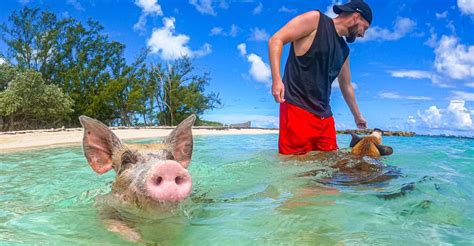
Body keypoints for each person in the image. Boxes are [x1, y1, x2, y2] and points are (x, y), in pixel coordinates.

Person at [268, 0, 373, 155]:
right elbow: (276, 40)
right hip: (297, 108)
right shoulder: (315, 20)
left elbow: (346, 85)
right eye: (365, 27)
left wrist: (357, 116)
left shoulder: (344, 50)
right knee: (294, 169)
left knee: (330, 166)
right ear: (356, 16)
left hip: (325, 117)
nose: (363, 34)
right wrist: (277, 80)